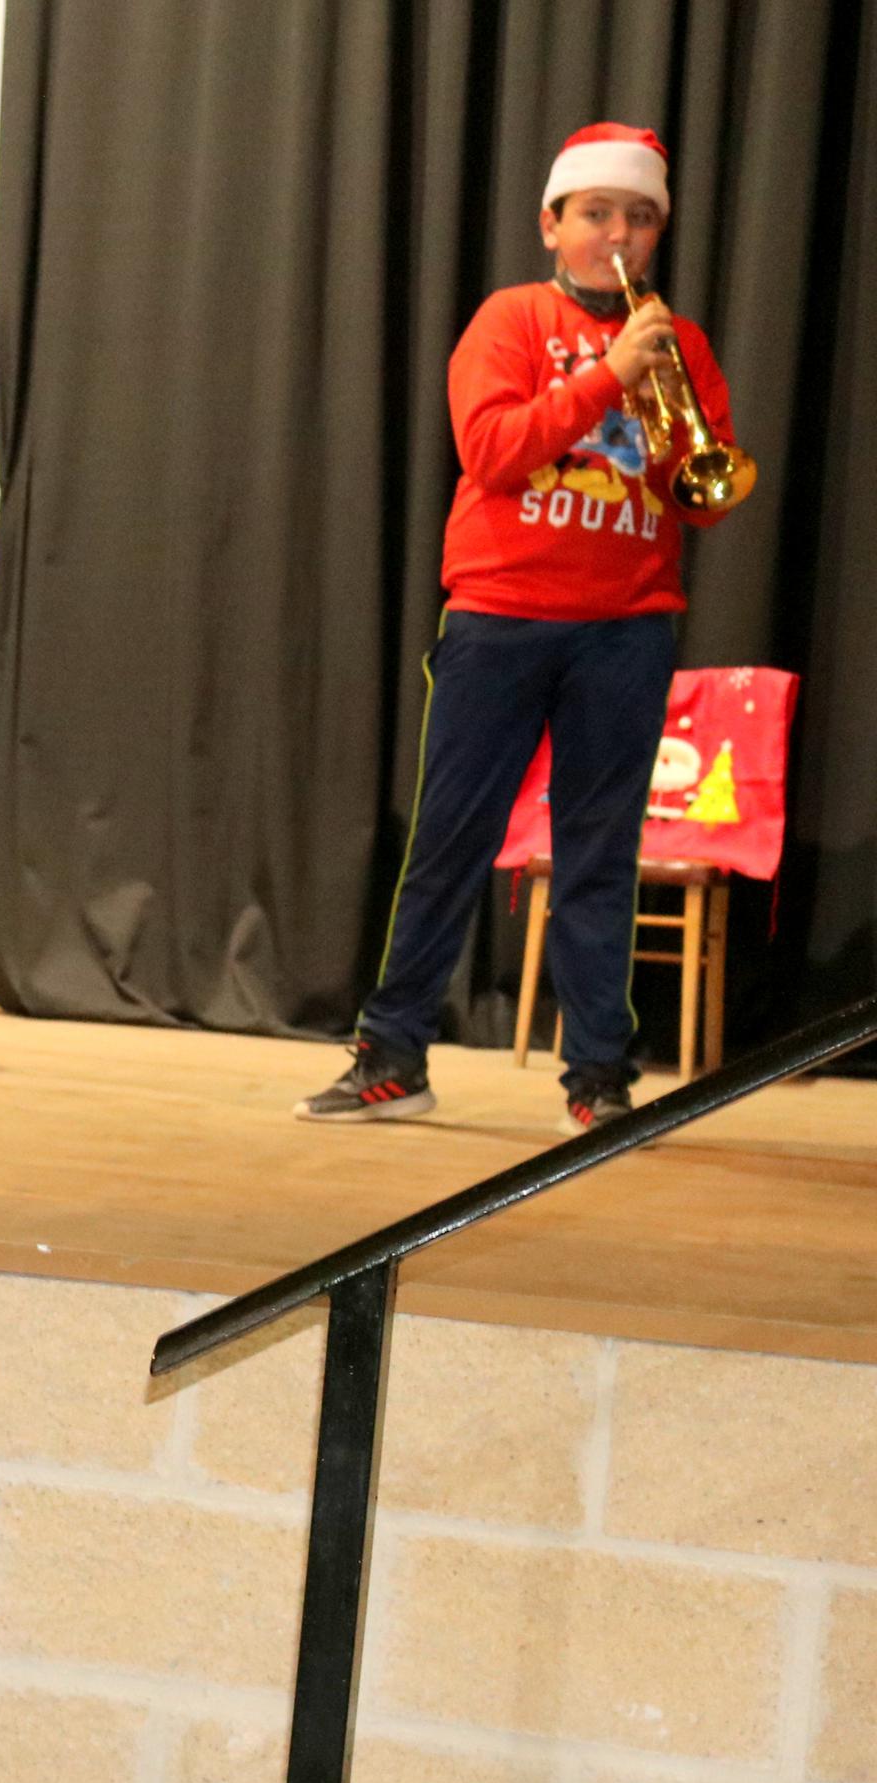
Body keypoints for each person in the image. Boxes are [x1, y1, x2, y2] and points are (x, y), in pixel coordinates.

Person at [300, 123, 745, 1134]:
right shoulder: (511, 319)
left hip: (628, 627)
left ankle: (599, 1075)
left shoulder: (683, 344)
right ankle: (393, 1053)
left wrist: (673, 416)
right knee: (450, 842)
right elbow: (492, 451)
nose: (618, 235)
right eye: (597, 215)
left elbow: (705, 499)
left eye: (640, 218)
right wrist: (606, 377)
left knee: (600, 855)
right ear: (552, 224)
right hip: (499, 617)